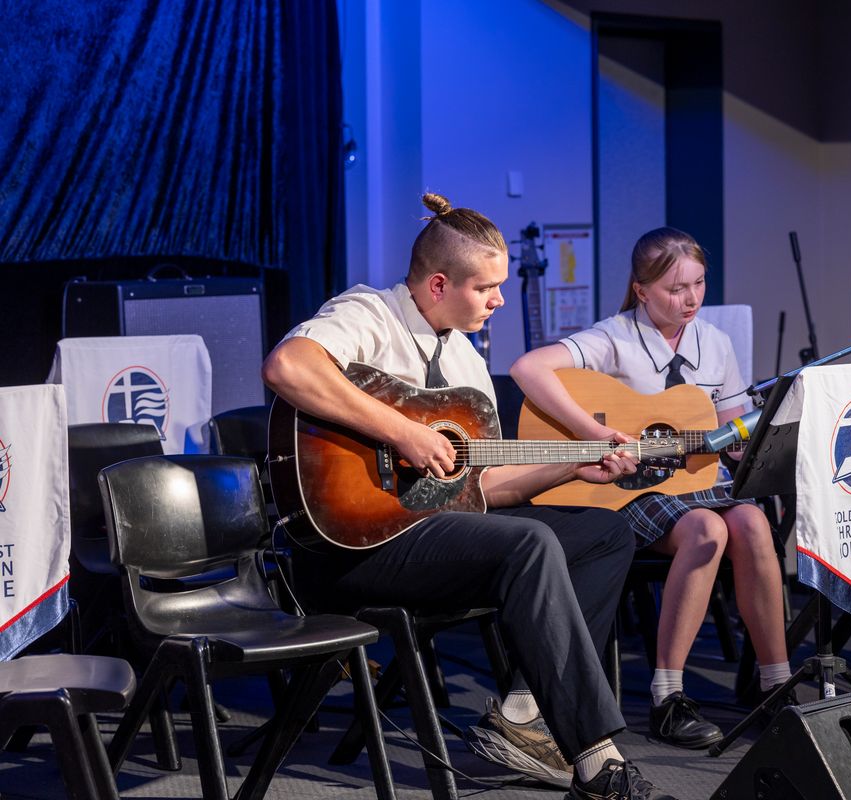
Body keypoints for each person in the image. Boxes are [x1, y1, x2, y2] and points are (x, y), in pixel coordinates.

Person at [262, 193, 677, 800]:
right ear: (438, 284)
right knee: (530, 543)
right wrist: (403, 431)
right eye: (487, 288)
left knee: (604, 534)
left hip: (436, 535)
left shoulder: (464, 356)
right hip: (352, 547)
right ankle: (597, 761)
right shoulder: (368, 313)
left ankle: (524, 715)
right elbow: (288, 368)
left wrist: (571, 466)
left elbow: (482, 487)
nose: (498, 300)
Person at [510, 227, 792, 749]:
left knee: (753, 522)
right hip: (633, 493)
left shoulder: (716, 343)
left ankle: (776, 684)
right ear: (641, 290)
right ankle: (668, 696)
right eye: (675, 289)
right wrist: (594, 433)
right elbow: (528, 368)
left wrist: (762, 436)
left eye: (699, 284)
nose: (691, 299)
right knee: (707, 529)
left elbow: (731, 432)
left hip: (698, 481)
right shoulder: (614, 337)